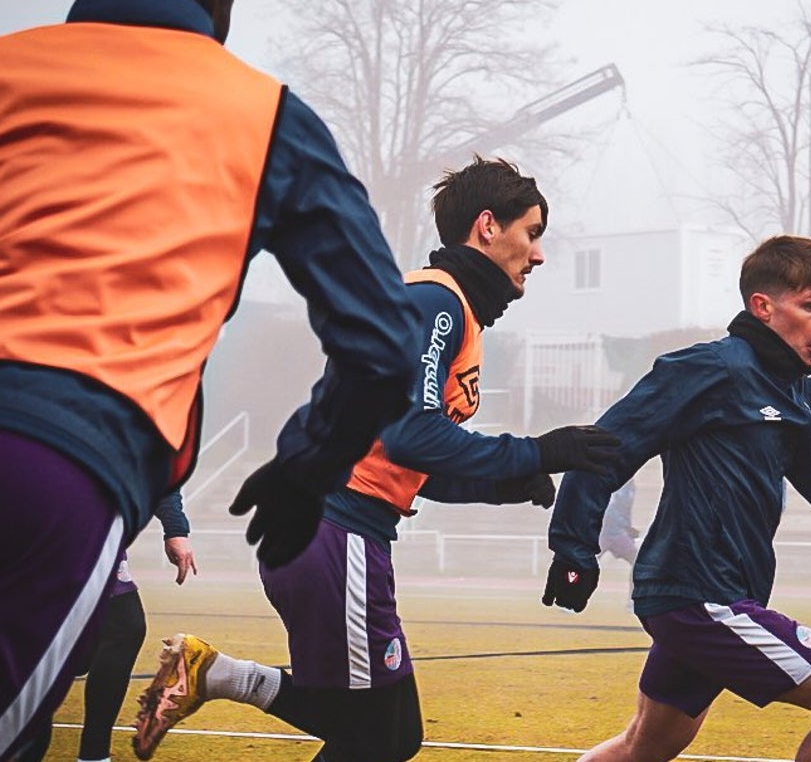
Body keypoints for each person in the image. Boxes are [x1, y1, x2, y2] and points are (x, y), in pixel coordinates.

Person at [0, 0, 431, 757]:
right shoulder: (262, 114)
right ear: (221, 4)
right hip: (64, 461)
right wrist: (307, 467)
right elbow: (384, 340)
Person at [130, 156, 622, 762]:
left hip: (339, 534)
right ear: (488, 227)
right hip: (337, 534)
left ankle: (215, 674)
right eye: (533, 232)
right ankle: (213, 675)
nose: (539, 254)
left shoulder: (447, 308)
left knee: (390, 733)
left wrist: (510, 481)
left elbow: (414, 464)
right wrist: (541, 449)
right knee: (372, 737)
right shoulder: (434, 303)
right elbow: (413, 435)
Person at [541, 233, 811, 762]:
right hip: (698, 598)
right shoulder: (707, 369)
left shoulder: (796, 394)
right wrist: (573, 548)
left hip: (716, 596)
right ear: (763, 307)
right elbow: (604, 450)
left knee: (646, 745)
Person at [76, 492, 197, 762]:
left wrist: (176, 529)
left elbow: (160, 471)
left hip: (95, 526)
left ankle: (93, 753)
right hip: (58, 515)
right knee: (120, 629)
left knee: (121, 629)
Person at [599, 479, 640, 610]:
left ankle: (633, 601)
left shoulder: (630, 486)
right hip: (602, 532)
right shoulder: (609, 477)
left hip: (617, 532)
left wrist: (628, 528)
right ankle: (569, 599)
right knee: (581, 564)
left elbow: (624, 510)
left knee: (639, 564)